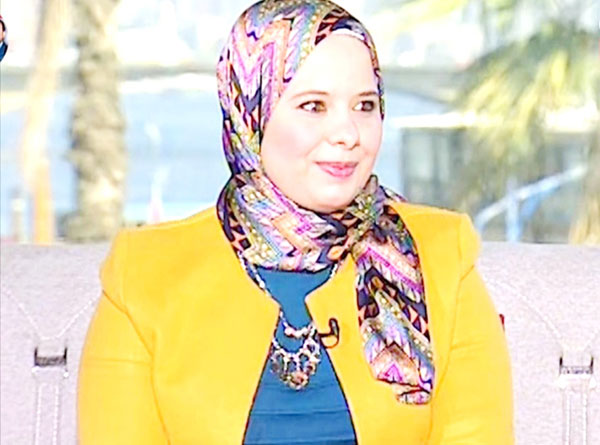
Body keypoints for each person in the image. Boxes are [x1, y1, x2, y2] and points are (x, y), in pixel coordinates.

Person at [77, 0, 513, 443]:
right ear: (252, 114)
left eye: (365, 105)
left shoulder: (444, 256)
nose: (348, 133)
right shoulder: (144, 274)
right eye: (314, 106)